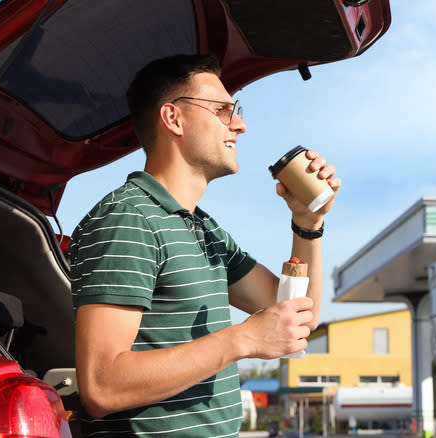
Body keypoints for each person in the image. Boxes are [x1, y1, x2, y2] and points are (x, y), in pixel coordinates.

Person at [70, 53, 340, 437]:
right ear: (173, 118)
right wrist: (243, 338)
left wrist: (308, 223)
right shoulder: (128, 219)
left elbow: (299, 319)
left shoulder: (204, 229)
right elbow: (102, 385)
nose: (240, 125)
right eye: (223, 111)